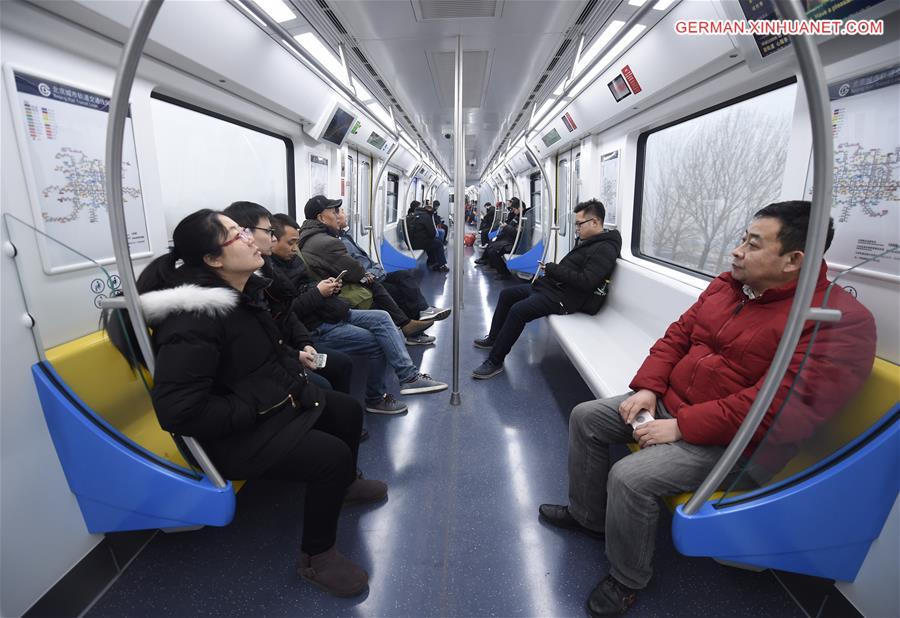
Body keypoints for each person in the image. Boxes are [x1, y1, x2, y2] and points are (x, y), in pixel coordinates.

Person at [538, 201, 876, 616]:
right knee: (587, 417)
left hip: (739, 443)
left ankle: (627, 578)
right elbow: (677, 337)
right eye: (741, 239)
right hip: (674, 405)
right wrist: (647, 388)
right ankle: (589, 517)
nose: (736, 251)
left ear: (793, 260)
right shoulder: (727, 287)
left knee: (630, 476)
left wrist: (682, 426)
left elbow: (780, 408)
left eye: (752, 244)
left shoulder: (837, 322)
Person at [106, 209, 388, 597]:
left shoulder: (245, 296)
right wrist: (261, 407)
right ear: (213, 260)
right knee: (331, 457)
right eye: (236, 235)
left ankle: (343, 488)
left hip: (265, 409)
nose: (253, 240)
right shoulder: (195, 319)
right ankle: (316, 557)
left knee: (346, 410)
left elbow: (266, 356)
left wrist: (294, 374)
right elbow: (179, 411)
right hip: (230, 436)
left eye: (243, 231)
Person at [268, 213, 449, 414]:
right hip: (317, 324)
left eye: (296, 243)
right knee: (376, 340)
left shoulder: (293, 260)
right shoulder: (272, 274)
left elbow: (305, 288)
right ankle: (376, 398)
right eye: (290, 243)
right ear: (272, 240)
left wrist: (325, 288)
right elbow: (290, 312)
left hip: (328, 310)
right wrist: (318, 292)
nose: (294, 248)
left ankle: (409, 377)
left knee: (382, 316)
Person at [472, 199, 621, 379]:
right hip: (552, 289)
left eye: (579, 224)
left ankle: (495, 361)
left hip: (565, 299)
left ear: (595, 222)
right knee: (507, 295)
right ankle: (494, 338)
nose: (576, 228)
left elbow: (587, 281)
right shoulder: (590, 242)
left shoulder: (605, 249)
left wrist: (552, 268)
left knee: (518, 311)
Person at [223, 201, 355, 396]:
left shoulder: (267, 271)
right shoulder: (239, 292)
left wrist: (304, 343)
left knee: (343, 365)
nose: (273, 239)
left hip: (290, 344)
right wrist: (295, 355)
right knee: (327, 390)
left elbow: (285, 314)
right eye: (269, 232)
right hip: (279, 358)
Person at [296, 195, 434, 340]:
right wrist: (367, 274)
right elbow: (356, 270)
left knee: (399, 280)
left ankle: (411, 325)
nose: (338, 216)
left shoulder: (311, 237)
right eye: (334, 212)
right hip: (340, 293)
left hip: (336, 286)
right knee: (393, 290)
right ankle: (408, 327)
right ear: (321, 218)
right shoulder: (326, 242)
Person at [328, 209, 451, 330]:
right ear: (337, 219)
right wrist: (376, 271)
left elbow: (366, 262)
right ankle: (413, 328)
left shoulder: (345, 237)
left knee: (403, 275)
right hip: (367, 279)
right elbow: (357, 268)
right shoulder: (339, 243)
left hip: (373, 274)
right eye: (342, 212)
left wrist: (376, 269)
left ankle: (423, 311)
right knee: (398, 291)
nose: (346, 214)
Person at [474, 197, 522, 280]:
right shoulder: (516, 216)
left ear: (519, 208)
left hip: (512, 241)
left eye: (514, 209)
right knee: (491, 243)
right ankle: (489, 262)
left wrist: (506, 226)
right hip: (508, 237)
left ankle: (504, 273)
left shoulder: (522, 218)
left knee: (493, 249)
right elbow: (511, 226)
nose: (513, 211)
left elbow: (516, 232)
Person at [406, 200, 449, 272]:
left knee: (432, 242)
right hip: (418, 244)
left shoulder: (411, 215)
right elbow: (432, 234)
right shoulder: (426, 217)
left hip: (410, 243)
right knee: (438, 243)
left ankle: (432, 261)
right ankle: (442, 265)